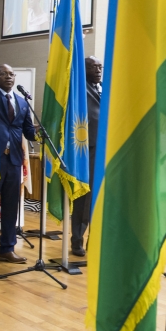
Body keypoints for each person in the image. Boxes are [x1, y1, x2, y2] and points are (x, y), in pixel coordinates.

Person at [0, 64, 36, 266]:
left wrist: (43, 130)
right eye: (4, 74)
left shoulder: (22, 102)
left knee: (11, 207)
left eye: (12, 74)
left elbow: (28, 130)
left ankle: (7, 249)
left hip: (14, 161)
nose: (9, 77)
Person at [69, 55, 102, 257]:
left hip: (106, 150)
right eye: (93, 67)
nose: (98, 71)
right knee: (84, 198)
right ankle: (77, 240)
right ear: (84, 69)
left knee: (102, 196)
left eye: (100, 67)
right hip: (87, 149)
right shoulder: (79, 89)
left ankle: (96, 240)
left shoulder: (106, 88)